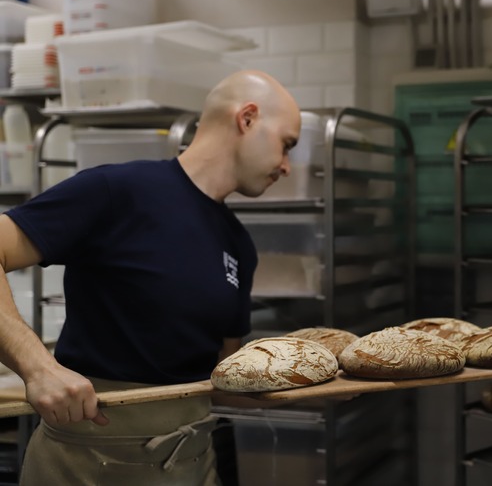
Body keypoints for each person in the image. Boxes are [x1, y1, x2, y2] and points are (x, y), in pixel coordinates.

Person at [0, 69, 301, 485]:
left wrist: (310, 383)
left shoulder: (238, 244)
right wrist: (37, 368)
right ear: (247, 118)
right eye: (288, 144)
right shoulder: (117, 190)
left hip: (191, 464)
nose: (287, 166)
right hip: (88, 464)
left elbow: (220, 381)